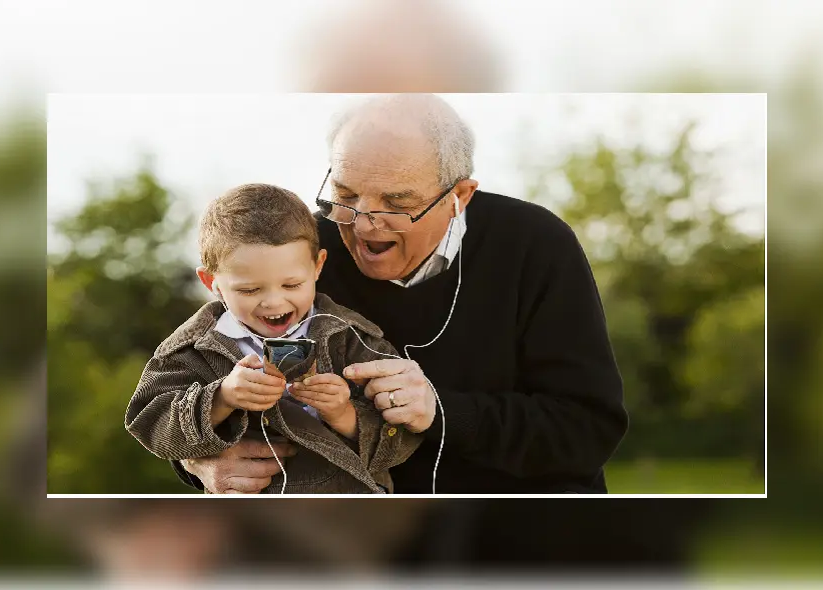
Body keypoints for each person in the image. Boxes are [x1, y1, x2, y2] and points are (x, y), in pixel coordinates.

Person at [177, 93, 628, 494]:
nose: (364, 223)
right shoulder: (299, 255)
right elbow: (197, 371)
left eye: (397, 203)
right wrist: (198, 462)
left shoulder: (535, 244)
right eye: (345, 194)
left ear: (460, 195)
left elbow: (587, 430)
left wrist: (440, 410)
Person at [125, 183, 422, 493]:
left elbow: (406, 437)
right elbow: (151, 427)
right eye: (250, 290)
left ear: (317, 266)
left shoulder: (352, 338)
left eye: (291, 285)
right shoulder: (192, 350)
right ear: (211, 282)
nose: (273, 302)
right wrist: (222, 398)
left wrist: (343, 414)